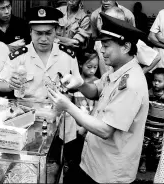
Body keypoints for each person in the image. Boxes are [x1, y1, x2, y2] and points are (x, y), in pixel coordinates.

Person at [47, 12, 149, 183]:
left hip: (109, 172)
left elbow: (105, 130)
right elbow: (95, 91)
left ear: (125, 47)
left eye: (107, 45)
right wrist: (79, 83)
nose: (101, 50)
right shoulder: (116, 70)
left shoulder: (131, 85)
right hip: (93, 161)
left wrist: (68, 107)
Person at [0, 6, 83, 146]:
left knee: (61, 161)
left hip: (61, 120)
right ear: (30, 32)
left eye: (48, 33)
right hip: (29, 119)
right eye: (38, 33)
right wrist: (11, 85)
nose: (43, 39)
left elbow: (79, 82)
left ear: (56, 32)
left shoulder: (67, 55)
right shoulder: (19, 56)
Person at [94, 7, 160, 79]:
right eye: (100, 19)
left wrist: (139, 74)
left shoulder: (132, 42)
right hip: (106, 83)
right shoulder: (99, 40)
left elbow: (156, 57)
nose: (101, 23)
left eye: (107, 20)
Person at [139, 68, 164, 173]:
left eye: (159, 81)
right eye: (154, 80)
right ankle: (143, 163)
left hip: (159, 130)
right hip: (147, 127)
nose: (156, 83)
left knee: (158, 149)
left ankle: (159, 168)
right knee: (143, 147)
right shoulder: (148, 93)